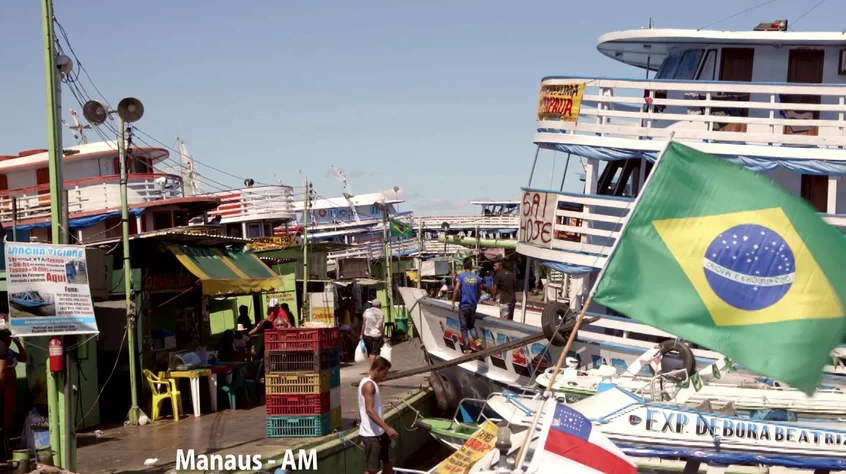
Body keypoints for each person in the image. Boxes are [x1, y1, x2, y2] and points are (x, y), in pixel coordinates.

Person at [359, 356, 397, 474]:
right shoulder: (368, 385)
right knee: (372, 469)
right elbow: (369, 411)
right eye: (385, 372)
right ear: (379, 369)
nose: (385, 376)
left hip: (380, 432)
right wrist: (388, 428)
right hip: (372, 435)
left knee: (389, 461)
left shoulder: (372, 383)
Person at [451, 257, 483, 354]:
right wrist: (476, 301)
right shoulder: (477, 278)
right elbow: (480, 292)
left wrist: (453, 301)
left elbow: (456, 289)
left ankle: (467, 349)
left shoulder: (461, 277)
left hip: (464, 305)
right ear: (471, 266)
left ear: (464, 266)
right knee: (471, 326)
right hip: (473, 306)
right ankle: (477, 341)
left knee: (464, 328)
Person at [360, 300, 386, 368]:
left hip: (367, 335)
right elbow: (380, 326)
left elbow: (364, 324)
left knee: (370, 353)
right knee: (373, 354)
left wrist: (361, 334)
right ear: (379, 306)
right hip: (376, 335)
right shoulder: (381, 313)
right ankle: (371, 370)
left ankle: (373, 368)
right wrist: (383, 336)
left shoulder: (367, 311)